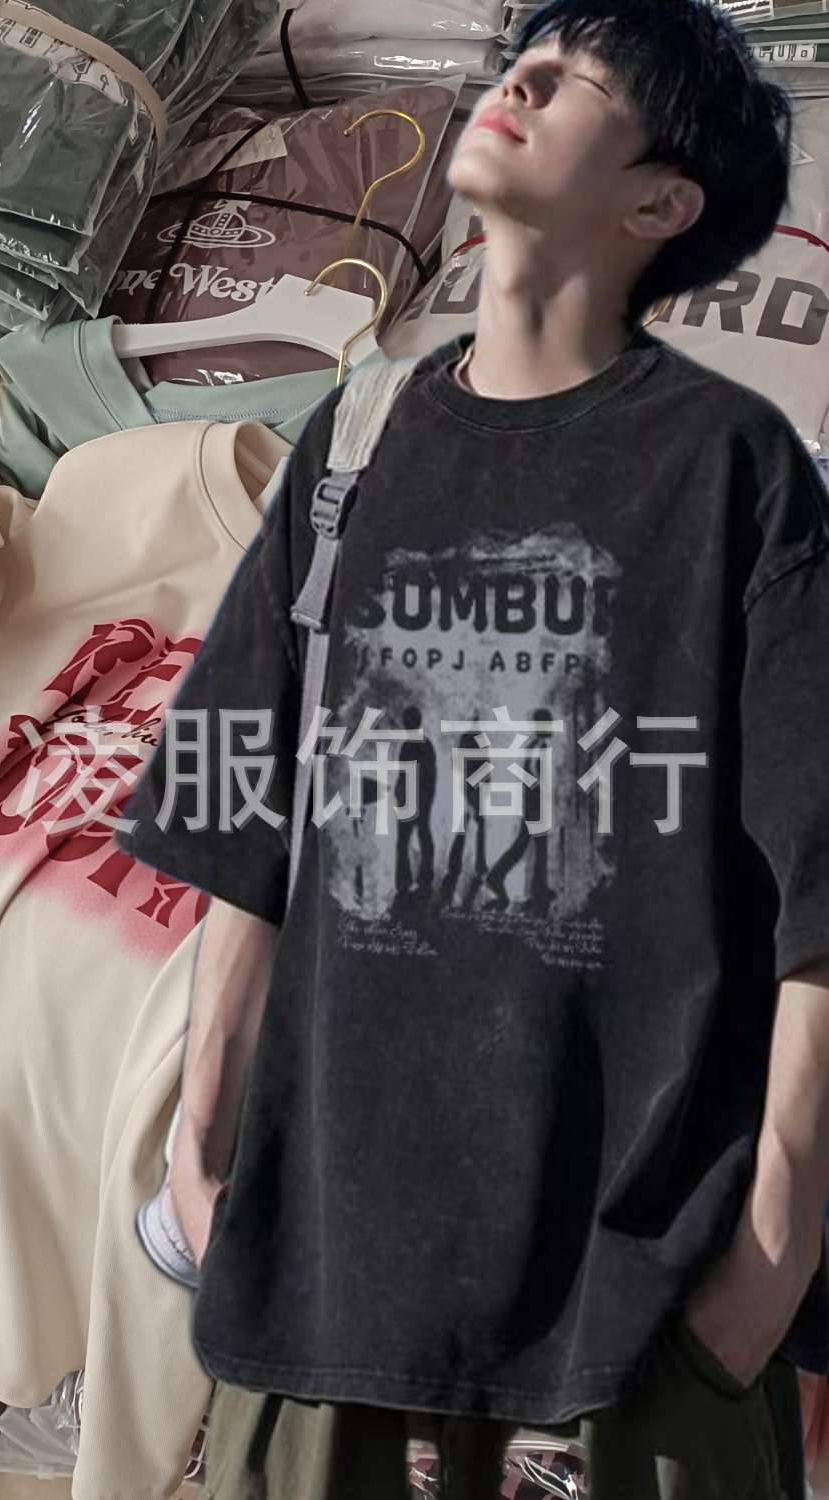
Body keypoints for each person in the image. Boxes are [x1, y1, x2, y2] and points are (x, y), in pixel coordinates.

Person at [112, 2, 829, 1495]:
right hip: (329, 1261)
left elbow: (818, 884)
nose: (523, 78)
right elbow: (247, 814)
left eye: (577, 81)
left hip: (630, 1293)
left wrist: (772, 1251)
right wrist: (204, 1136)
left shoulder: (729, 468)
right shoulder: (356, 442)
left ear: (661, 204)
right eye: (526, 58)